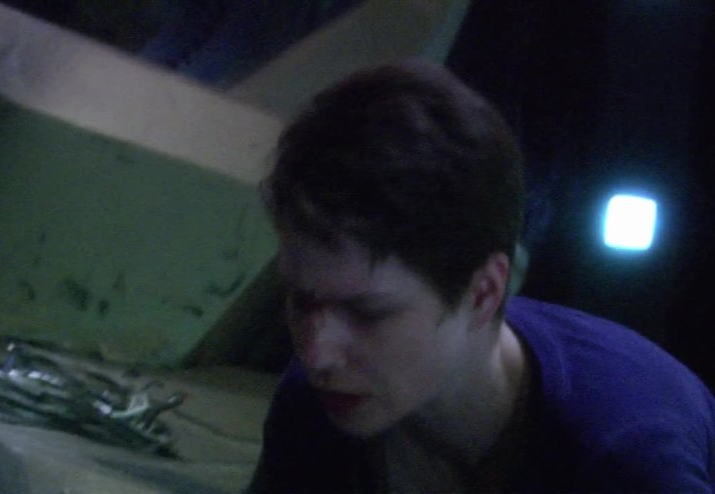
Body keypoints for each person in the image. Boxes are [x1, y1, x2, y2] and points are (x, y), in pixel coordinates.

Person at [247, 61, 715, 493]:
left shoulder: (625, 458)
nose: (316, 354)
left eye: (367, 313)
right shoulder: (316, 408)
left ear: (485, 292)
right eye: (301, 300)